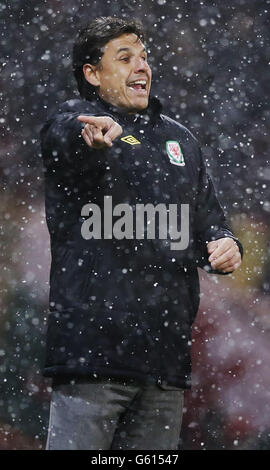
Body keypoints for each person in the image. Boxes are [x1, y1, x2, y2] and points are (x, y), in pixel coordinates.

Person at [40, 16, 243, 450]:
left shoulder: (181, 142)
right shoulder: (71, 122)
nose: (142, 67)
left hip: (163, 363)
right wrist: (88, 137)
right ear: (92, 74)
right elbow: (64, 137)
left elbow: (212, 222)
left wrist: (226, 244)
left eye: (145, 57)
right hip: (91, 358)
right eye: (125, 57)